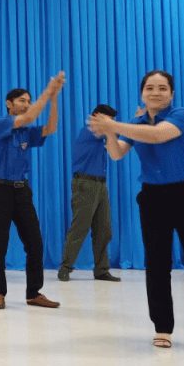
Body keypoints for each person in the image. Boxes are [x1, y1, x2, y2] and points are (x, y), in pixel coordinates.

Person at [88, 70, 184, 350]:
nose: (155, 92)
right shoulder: (136, 123)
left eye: (162, 88)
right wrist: (109, 132)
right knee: (156, 264)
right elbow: (117, 154)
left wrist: (113, 124)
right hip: (152, 198)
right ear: (142, 92)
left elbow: (157, 136)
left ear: (171, 93)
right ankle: (163, 328)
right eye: (149, 88)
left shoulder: (181, 115)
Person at [0, 74, 65, 311]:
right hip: (0, 191)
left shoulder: (26, 132)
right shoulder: (0, 123)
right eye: (22, 100)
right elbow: (30, 116)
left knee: (35, 243)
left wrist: (54, 99)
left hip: (22, 192)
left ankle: (33, 293)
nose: (27, 104)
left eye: (29, 101)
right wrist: (48, 91)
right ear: (9, 103)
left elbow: (51, 127)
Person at [57, 104, 121, 283]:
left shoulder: (102, 134)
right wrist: (139, 120)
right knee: (80, 227)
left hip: (100, 185)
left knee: (104, 229)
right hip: (86, 184)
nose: (111, 123)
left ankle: (101, 270)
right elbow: (116, 132)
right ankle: (65, 267)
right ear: (97, 117)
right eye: (108, 120)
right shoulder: (91, 130)